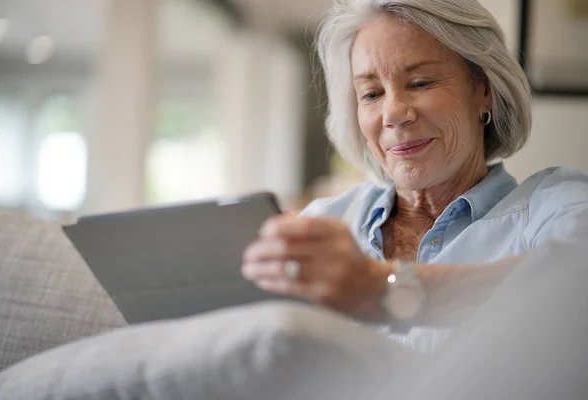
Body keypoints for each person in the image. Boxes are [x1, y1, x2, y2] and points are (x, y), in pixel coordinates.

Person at [240, 0, 588, 351]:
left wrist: (384, 289)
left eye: (420, 82)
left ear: (484, 90)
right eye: (371, 94)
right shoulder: (323, 223)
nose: (393, 113)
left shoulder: (553, 206)